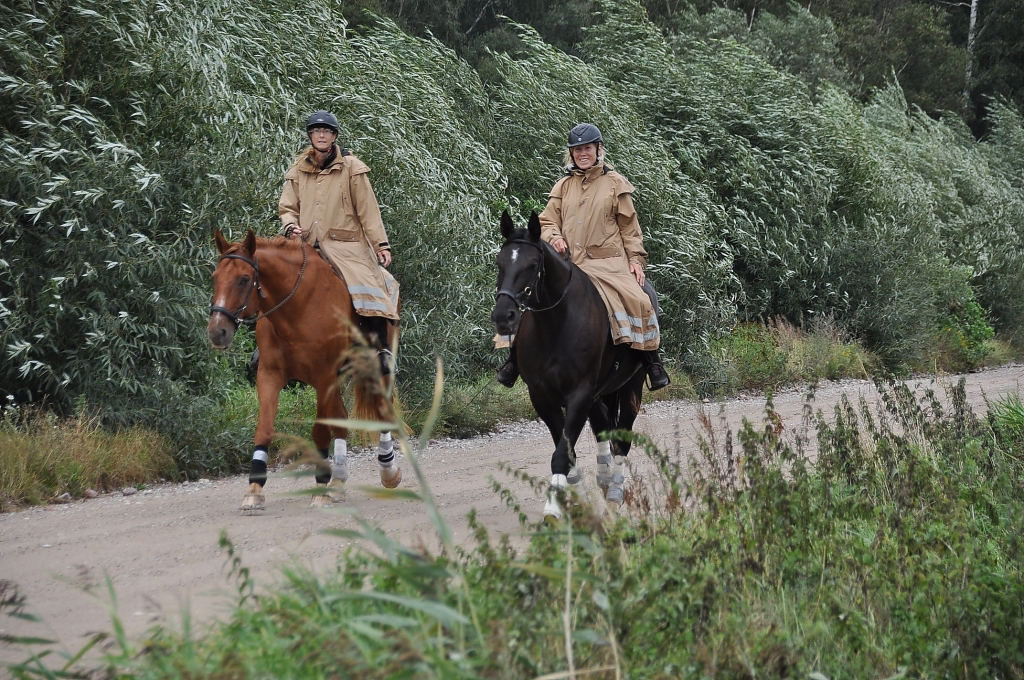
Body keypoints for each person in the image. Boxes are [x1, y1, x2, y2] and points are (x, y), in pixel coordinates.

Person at [496, 122, 670, 390]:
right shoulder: (563, 186)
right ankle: (513, 360)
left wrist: (636, 260)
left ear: (598, 149)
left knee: (639, 298)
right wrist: (555, 238)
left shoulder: (615, 184)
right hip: (572, 265)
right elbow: (546, 221)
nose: (582, 153)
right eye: (577, 150)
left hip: (608, 264)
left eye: (587, 148)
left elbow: (630, 228)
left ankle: (651, 361)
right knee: (529, 298)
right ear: (572, 154)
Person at [278, 110, 400, 374]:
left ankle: (381, 349)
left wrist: (381, 244)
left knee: (369, 283)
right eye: (316, 130)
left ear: (334, 136)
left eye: (326, 131)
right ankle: (268, 347)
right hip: (307, 242)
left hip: (346, 243)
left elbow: (368, 209)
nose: (321, 135)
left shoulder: (352, 168)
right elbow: (287, 206)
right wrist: (290, 225)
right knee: (273, 277)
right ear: (310, 135)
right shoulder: (298, 169)